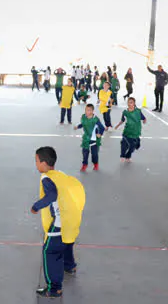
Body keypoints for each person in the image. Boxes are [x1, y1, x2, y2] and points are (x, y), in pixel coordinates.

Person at [31, 147, 85, 298]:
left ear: (43, 163)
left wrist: (36, 206)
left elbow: (52, 195)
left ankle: (54, 289)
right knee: (67, 243)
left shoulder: (46, 178)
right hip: (71, 220)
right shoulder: (60, 175)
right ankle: (69, 266)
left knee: (50, 252)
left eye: (36, 161)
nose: (35, 164)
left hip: (59, 224)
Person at [115, 97, 146, 162]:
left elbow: (143, 118)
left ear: (134, 103)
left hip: (136, 133)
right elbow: (122, 120)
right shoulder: (125, 112)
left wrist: (144, 120)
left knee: (136, 145)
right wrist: (117, 125)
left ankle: (127, 156)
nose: (129, 104)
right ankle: (124, 156)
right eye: (128, 102)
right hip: (127, 132)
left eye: (131, 102)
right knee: (128, 145)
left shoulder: (138, 111)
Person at [75, 104, 104, 172]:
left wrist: (100, 134)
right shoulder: (83, 117)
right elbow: (83, 124)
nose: (86, 112)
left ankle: (96, 164)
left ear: (92, 111)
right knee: (85, 153)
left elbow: (102, 128)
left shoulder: (95, 119)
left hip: (94, 140)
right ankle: (84, 165)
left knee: (94, 154)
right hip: (86, 139)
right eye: (86, 110)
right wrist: (78, 126)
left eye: (88, 110)